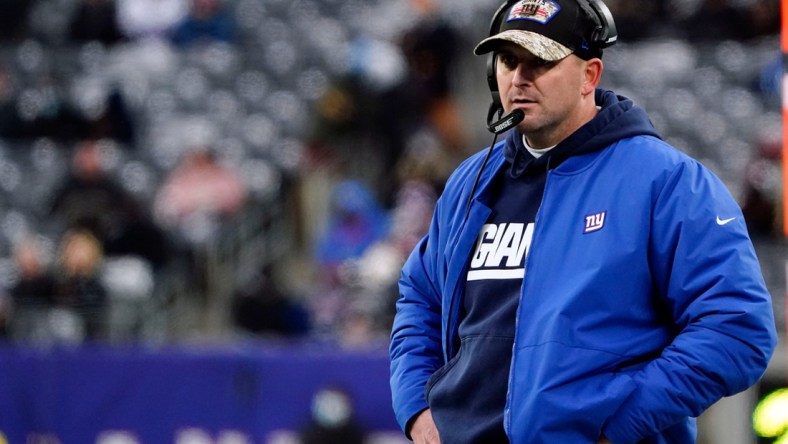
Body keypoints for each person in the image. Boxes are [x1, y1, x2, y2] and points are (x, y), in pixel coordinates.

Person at [388, 1, 778, 443]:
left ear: (590, 75)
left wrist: (618, 426)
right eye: (509, 61)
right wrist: (418, 409)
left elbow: (736, 327)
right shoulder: (470, 182)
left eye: (541, 61)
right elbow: (420, 298)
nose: (519, 78)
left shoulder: (665, 181)